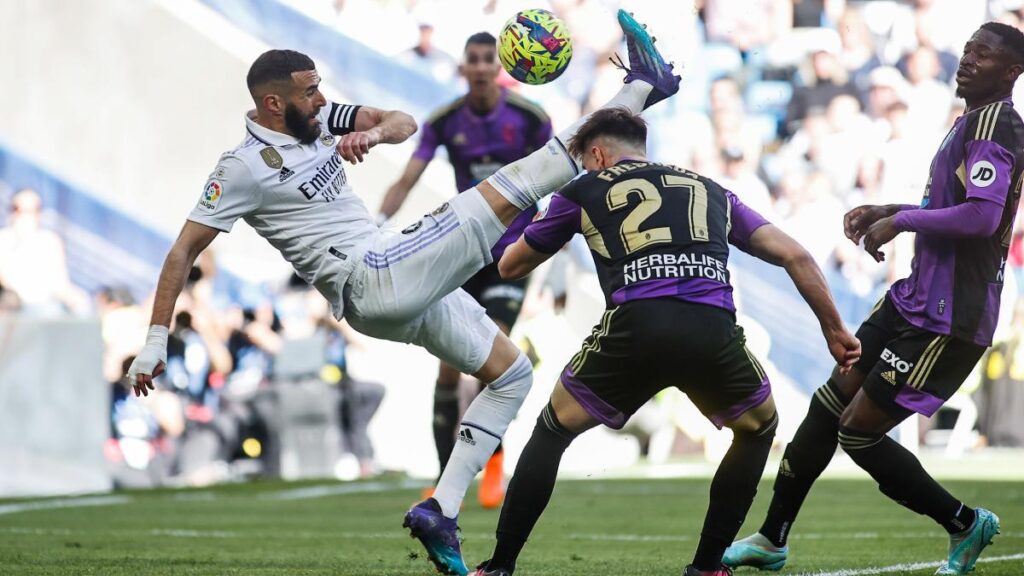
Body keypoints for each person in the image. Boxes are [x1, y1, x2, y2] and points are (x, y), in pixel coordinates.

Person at [125, 10, 680, 576]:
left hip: (389, 288)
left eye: (319, 89)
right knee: (527, 177)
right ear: (273, 104)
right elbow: (181, 252)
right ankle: (641, 87)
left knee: (512, 375)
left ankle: (441, 508)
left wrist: (372, 132)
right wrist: (154, 341)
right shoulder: (242, 168)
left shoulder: (316, 120)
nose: (321, 99)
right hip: (370, 274)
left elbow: (402, 121)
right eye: (309, 91)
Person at [470, 107, 860, 576]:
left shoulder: (582, 190)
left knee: (553, 430)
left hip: (637, 324)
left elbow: (511, 266)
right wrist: (835, 329)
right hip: (710, 328)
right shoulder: (710, 189)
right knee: (758, 428)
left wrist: (526, 212)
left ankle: (500, 567)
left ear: (597, 155)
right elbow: (795, 253)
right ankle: (707, 567)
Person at [725, 22, 1024, 576]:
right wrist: (889, 210)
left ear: (1011, 72)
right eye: (966, 49)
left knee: (857, 432)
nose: (967, 61)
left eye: (983, 55)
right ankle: (772, 538)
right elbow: (957, 204)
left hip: (947, 316)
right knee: (827, 404)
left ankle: (965, 523)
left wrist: (902, 222)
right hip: (914, 299)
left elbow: (983, 217)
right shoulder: (970, 122)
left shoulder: (998, 124)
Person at [379, 30, 553, 508]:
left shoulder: (530, 119)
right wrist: (376, 224)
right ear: (462, 67)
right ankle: (443, 475)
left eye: (487, 60)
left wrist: (551, 239)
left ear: (500, 67)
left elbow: (560, 177)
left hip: (513, 254)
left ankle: (494, 462)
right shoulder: (444, 121)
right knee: (449, 370)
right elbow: (407, 178)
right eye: (472, 59)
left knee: (487, 359)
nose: (479, 67)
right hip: (466, 251)